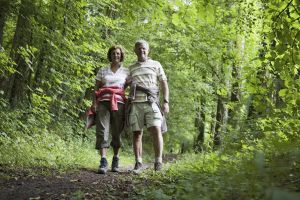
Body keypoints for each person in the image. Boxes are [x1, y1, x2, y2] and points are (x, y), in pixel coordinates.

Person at [128, 39, 169, 172]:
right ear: (135, 51)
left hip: (152, 102)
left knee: (156, 130)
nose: (142, 50)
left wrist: (166, 102)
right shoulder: (131, 67)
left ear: (148, 50)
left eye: (144, 48)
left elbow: (163, 84)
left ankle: (158, 163)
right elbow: (125, 84)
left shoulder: (156, 64)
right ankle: (138, 163)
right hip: (136, 103)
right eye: (139, 48)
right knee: (137, 133)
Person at [93, 45, 129, 174]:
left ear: (121, 55)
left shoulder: (126, 71)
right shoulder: (103, 70)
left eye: (118, 53)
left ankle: (116, 158)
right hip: (103, 103)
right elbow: (96, 88)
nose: (116, 55)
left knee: (117, 131)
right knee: (102, 130)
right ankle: (103, 160)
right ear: (110, 55)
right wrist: (94, 104)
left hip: (119, 103)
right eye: (113, 53)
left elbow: (132, 85)